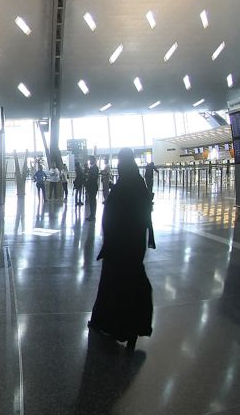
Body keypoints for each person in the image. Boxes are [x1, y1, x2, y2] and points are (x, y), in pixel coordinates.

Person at [89, 148, 156, 351]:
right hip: (135, 244)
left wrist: (108, 240)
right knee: (133, 282)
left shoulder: (123, 185)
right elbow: (145, 212)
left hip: (119, 245)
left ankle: (109, 324)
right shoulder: (138, 182)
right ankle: (134, 326)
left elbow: (112, 215)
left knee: (112, 283)